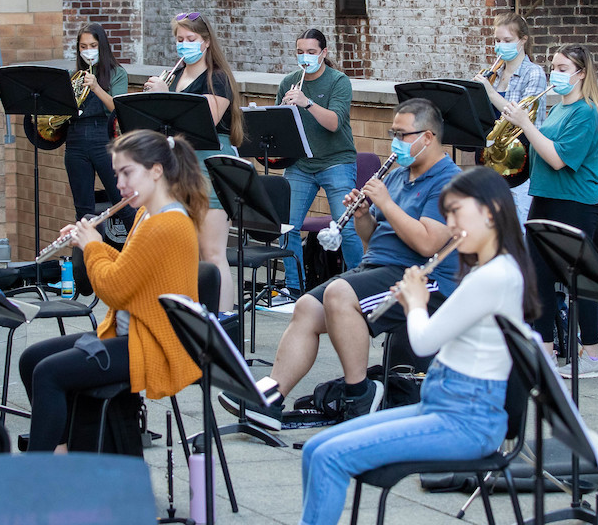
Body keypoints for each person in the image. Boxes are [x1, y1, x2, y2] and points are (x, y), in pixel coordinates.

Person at [297, 167, 539, 525]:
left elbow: (425, 340)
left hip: (467, 421)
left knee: (329, 457)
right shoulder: (486, 271)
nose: (452, 224)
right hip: (444, 406)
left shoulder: (495, 276)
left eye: (458, 212)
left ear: (490, 213)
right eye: (448, 214)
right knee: (316, 449)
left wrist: (415, 303)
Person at [217, 98, 461, 429]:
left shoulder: (450, 181)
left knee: (340, 294)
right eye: (392, 133)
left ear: (428, 137)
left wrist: (386, 203)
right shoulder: (399, 174)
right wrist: (362, 215)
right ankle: (270, 398)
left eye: (402, 135)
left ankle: (360, 394)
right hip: (380, 267)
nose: (395, 142)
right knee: (305, 307)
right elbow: (371, 239)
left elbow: (427, 243)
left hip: (421, 278)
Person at [18, 129, 205, 452]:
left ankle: (41, 475)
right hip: (129, 333)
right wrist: (92, 242)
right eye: (117, 173)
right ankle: (66, 452)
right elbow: (131, 271)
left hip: (152, 343)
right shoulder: (149, 214)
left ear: (156, 171)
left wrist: (92, 247)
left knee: (49, 373)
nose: (118, 184)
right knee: (32, 358)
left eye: (126, 172)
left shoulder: (166, 224)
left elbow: (115, 290)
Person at [502, 44, 598, 377]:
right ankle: (544, 353)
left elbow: (559, 159)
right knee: (537, 278)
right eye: (553, 67)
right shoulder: (560, 107)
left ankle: (591, 357)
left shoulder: (587, 113)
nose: (554, 74)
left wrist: (526, 125)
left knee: (578, 281)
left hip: (574, 203)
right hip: (544, 197)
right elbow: (538, 155)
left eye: (562, 68)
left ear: (581, 74)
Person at [144, 12, 245, 312]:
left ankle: (225, 323)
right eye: (180, 40)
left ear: (206, 42)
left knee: (212, 251)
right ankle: (192, 315)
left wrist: (166, 99)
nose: (184, 45)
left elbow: (206, 120)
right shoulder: (173, 77)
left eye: (191, 39)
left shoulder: (217, 78)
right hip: (179, 165)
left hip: (210, 165)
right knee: (185, 250)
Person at [275, 28, 360, 299]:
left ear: (323, 53)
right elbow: (280, 128)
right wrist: (285, 111)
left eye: (311, 52)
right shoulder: (289, 81)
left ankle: (361, 285)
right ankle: (295, 288)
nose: (305, 57)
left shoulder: (339, 81)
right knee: (287, 227)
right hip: (301, 164)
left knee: (345, 227)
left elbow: (335, 123)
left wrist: (306, 102)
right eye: (300, 52)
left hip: (336, 161)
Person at [473, 12, 547, 223]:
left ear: (523, 40)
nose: (500, 45)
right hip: (491, 162)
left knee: (517, 227)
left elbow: (521, 116)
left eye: (507, 41)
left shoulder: (534, 73)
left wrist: (489, 93)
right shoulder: (493, 74)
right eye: (497, 40)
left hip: (520, 164)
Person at [64, 23, 136, 236]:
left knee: (123, 202)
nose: (88, 50)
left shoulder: (116, 73)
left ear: (102, 46)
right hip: (75, 139)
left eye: (93, 45)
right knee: (83, 210)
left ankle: (140, 251)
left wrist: (96, 87)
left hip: (103, 138)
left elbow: (117, 108)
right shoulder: (73, 75)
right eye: (83, 46)